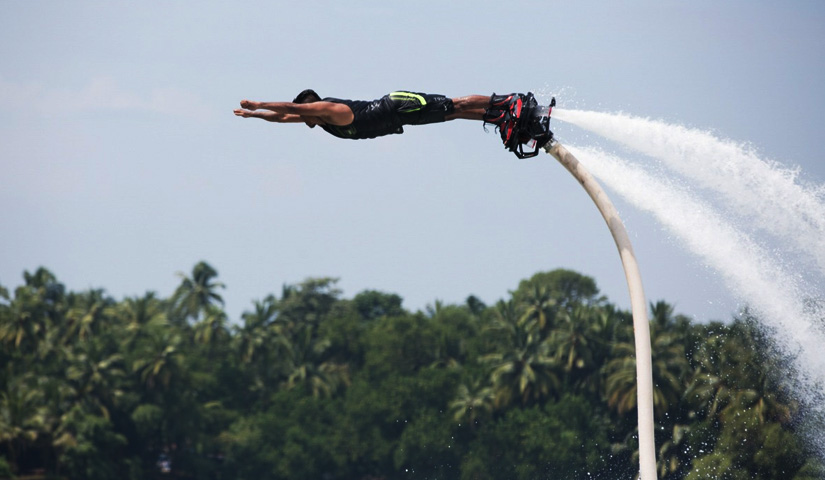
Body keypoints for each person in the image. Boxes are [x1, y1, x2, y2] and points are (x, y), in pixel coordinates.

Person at [233, 89, 519, 140]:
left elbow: (291, 110)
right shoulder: (321, 123)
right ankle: (501, 118)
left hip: (397, 105)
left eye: (307, 112)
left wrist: (258, 103)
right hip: (400, 119)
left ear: (313, 107)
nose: (303, 120)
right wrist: (254, 117)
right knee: (452, 116)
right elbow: (283, 118)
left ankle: (507, 101)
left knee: (454, 105)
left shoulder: (328, 110)